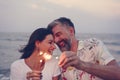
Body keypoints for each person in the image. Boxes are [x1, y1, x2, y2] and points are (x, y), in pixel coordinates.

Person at [47, 17, 120, 80]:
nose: (56, 40)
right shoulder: (61, 62)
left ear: (71, 31)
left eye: (58, 35)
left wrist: (82, 64)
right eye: (54, 38)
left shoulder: (93, 45)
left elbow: (117, 74)